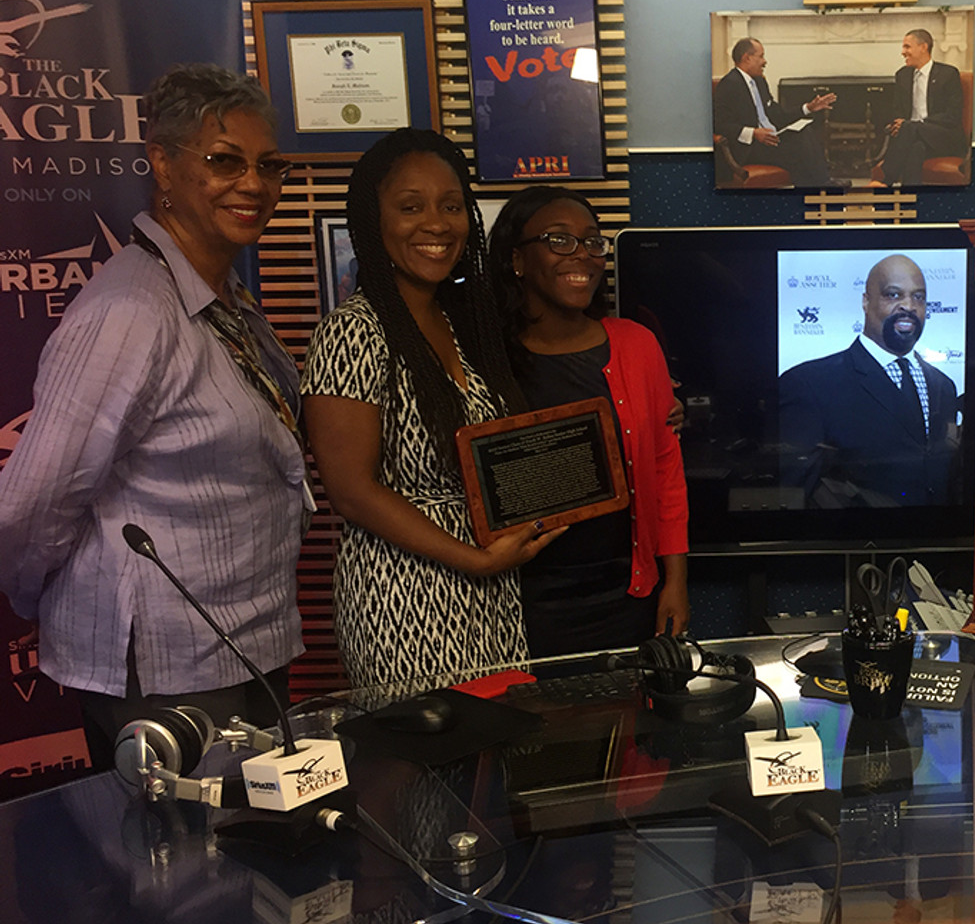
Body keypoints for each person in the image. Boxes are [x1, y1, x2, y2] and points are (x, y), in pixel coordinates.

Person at [0, 63, 310, 766]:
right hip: (166, 669)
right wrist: (52, 602)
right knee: (188, 873)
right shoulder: (130, 313)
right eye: (224, 161)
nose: (254, 184)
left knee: (255, 866)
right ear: (163, 167)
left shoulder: (222, 296)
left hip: (246, 644)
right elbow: (29, 503)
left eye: (270, 165)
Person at [302, 129, 562, 688]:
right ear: (374, 221)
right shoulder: (352, 331)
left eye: (450, 205)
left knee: (492, 761)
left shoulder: (463, 324)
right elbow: (350, 490)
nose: (437, 224)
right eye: (410, 207)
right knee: (428, 769)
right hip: (405, 597)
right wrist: (474, 560)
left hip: (492, 592)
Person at [487, 186, 690, 657]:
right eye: (559, 240)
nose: (582, 254)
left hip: (628, 594)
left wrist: (675, 581)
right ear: (517, 259)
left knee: (629, 727)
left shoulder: (636, 345)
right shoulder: (484, 356)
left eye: (592, 241)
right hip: (518, 602)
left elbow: (666, 475)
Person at [779, 254, 960, 507]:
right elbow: (797, 494)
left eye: (918, 297)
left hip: (936, 540)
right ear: (866, 301)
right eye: (893, 295)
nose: (908, 306)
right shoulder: (809, 383)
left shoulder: (944, 386)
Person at [712, 37, 847, 187]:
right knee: (799, 152)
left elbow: (777, 114)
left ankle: (821, 183)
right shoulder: (729, 84)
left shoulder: (759, 81)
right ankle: (820, 186)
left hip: (771, 140)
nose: (765, 61)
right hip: (750, 147)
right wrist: (754, 133)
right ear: (747, 58)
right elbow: (719, 124)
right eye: (761, 56)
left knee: (805, 132)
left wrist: (808, 108)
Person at [874, 29, 967, 186]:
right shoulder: (902, 75)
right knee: (916, 149)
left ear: (923, 47)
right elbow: (897, 112)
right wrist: (898, 124)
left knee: (910, 128)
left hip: (942, 136)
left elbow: (952, 116)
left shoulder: (948, 74)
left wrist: (917, 124)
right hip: (913, 138)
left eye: (907, 47)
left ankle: (886, 180)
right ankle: (911, 198)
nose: (903, 52)